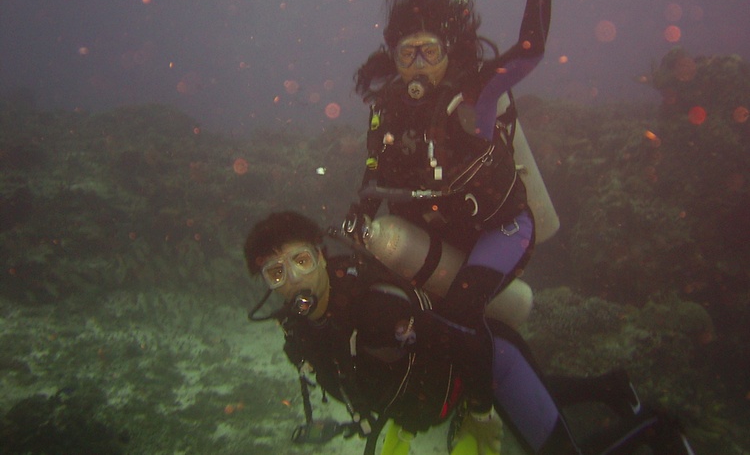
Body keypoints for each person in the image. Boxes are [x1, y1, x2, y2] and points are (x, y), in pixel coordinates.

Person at [346, 0, 555, 443]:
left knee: (459, 311)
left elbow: (528, 52)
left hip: (501, 230)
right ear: (394, 56)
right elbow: (372, 172)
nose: (418, 66)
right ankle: (427, 402)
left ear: (449, 53)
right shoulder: (385, 108)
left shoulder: (475, 97)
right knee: (392, 309)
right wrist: (360, 217)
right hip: (437, 236)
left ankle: (481, 413)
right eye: (407, 53)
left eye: (430, 52)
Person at [244, 211, 695, 455]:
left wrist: (481, 414)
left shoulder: (377, 310)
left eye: (301, 261)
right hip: (453, 382)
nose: (294, 280)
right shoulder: (301, 333)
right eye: (276, 273)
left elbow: (469, 345)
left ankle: (656, 424)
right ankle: (610, 387)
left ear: (322, 257)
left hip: (491, 359)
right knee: (536, 402)